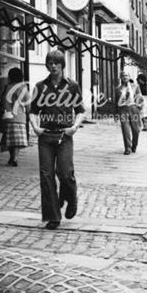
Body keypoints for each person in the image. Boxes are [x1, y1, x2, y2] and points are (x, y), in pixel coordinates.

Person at [29, 49, 85, 230]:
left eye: (56, 63)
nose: (53, 66)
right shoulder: (40, 87)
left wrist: (74, 127)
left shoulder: (72, 86)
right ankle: (53, 216)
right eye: (50, 63)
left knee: (65, 173)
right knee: (46, 176)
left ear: (62, 65)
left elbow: (80, 111)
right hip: (45, 136)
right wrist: (35, 127)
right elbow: (33, 111)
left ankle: (71, 197)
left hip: (64, 135)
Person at [1, 67, 28, 166]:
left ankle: (11, 156)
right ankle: (15, 157)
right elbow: (28, 102)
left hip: (8, 116)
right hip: (19, 117)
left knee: (10, 140)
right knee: (17, 141)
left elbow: (3, 101)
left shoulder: (7, 87)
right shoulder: (22, 87)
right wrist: (29, 113)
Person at [116, 74, 141, 154]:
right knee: (125, 129)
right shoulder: (118, 89)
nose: (125, 77)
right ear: (121, 78)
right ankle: (127, 148)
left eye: (126, 76)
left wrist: (139, 107)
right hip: (123, 109)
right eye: (123, 76)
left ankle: (134, 145)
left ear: (129, 77)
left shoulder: (135, 86)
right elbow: (116, 102)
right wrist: (116, 113)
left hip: (133, 108)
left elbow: (139, 97)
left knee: (136, 130)